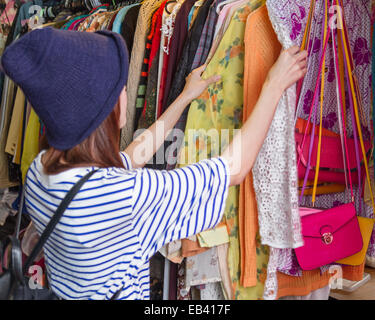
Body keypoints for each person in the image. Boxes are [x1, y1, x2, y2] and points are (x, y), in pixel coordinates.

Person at [1, 27, 307, 300]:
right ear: (103, 111)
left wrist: (185, 97)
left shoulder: (42, 170)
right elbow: (233, 168)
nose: (125, 93)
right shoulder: (125, 196)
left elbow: (134, 156)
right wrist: (273, 85)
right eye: (120, 88)